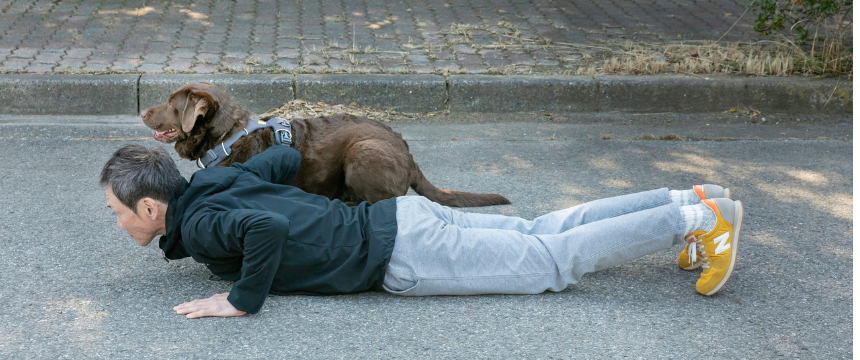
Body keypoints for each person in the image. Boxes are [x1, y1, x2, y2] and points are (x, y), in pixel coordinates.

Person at [101, 144, 743, 319]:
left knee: (551, 262)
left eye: (117, 209)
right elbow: (283, 162)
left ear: (152, 210)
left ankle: (698, 221)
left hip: (401, 251)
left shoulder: (206, 225)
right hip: (400, 216)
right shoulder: (210, 184)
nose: (116, 218)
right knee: (541, 231)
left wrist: (240, 299)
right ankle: (687, 199)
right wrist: (312, 214)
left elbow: (265, 227)